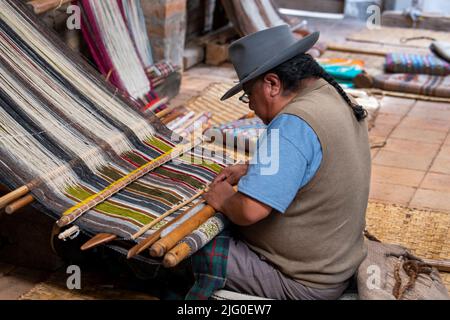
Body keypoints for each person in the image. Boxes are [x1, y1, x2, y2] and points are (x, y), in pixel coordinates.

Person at [203, 25, 371, 300]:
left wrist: (222, 199)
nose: (251, 108)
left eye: (248, 95)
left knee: (186, 253)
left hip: (302, 282)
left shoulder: (293, 123)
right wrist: (252, 169)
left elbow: (248, 210)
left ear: (272, 84)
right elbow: (316, 164)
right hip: (338, 264)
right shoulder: (332, 95)